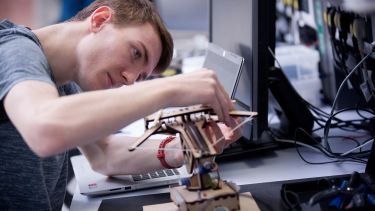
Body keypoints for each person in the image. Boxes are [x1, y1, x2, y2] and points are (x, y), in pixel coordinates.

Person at [0, 0, 240, 210]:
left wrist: (185, 147)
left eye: (140, 77)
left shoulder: (65, 82)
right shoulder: (15, 51)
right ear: (100, 19)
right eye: (136, 52)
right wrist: (172, 88)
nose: (130, 80)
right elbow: (45, 130)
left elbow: (104, 153)